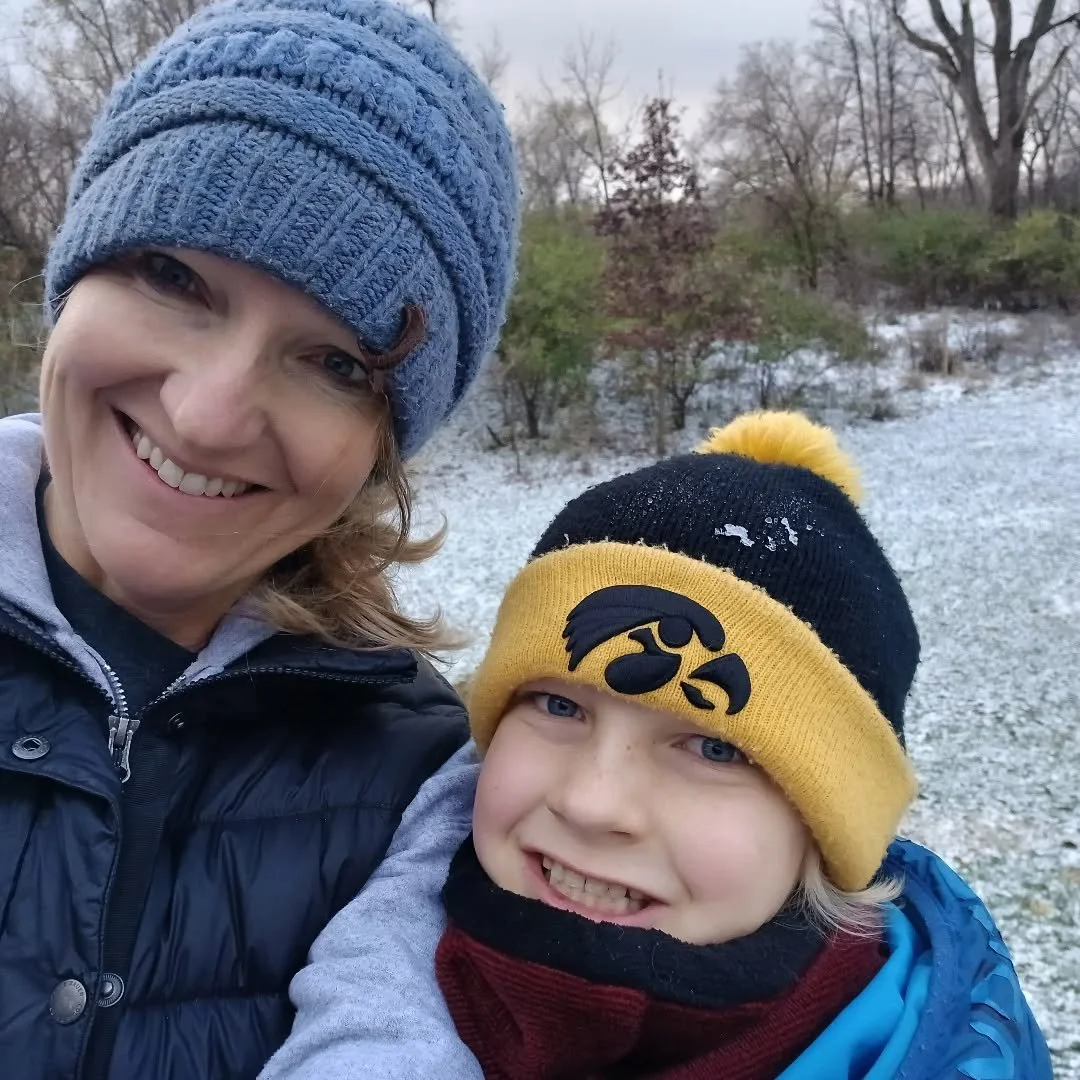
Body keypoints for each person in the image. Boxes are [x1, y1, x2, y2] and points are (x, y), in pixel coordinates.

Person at [0, 0, 519, 1077]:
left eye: (335, 363)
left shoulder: (421, 791)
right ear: (73, 272)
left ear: (383, 445)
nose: (206, 415)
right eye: (175, 280)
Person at [266, 411, 1053, 1079]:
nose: (590, 802)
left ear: (827, 826)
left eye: (714, 749)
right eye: (556, 704)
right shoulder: (352, 958)